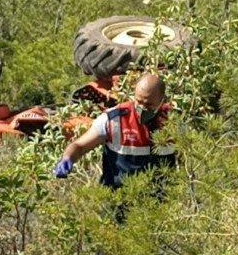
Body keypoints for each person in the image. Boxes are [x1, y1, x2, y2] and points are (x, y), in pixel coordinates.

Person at [54, 74, 176, 218]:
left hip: (159, 210)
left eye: (149, 104)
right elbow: (79, 146)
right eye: (138, 101)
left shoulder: (174, 122)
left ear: (162, 101)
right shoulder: (114, 119)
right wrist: (68, 159)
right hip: (118, 206)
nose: (142, 108)